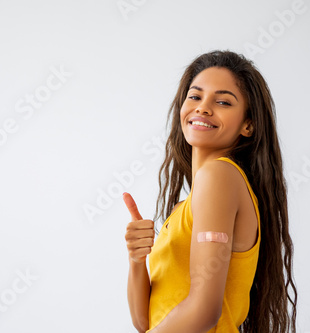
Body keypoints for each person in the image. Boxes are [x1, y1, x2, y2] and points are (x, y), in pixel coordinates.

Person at [123, 50, 297, 333]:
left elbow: (204, 313)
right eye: (195, 96)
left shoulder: (219, 176)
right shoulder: (186, 206)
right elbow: (144, 321)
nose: (203, 108)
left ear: (248, 125)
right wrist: (136, 260)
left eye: (223, 101)